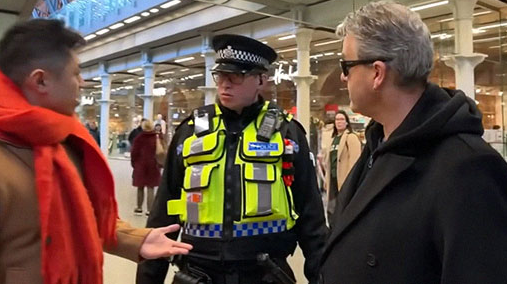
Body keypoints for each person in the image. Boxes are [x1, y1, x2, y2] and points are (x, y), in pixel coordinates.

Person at [0, 19, 192, 284]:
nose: (82, 83)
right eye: (75, 73)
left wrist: (137, 239)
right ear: (40, 80)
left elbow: (85, 219)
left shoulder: (64, 145)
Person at [319, 1, 507, 283]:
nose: (342, 77)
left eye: (346, 65)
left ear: (377, 73)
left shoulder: (468, 168)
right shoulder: (378, 143)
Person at [137, 34, 327, 284]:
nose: (224, 84)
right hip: (197, 273)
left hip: (264, 273)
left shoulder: (287, 133)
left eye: (235, 76)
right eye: (220, 76)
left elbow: (311, 218)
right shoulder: (190, 132)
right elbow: (162, 217)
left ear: (261, 79)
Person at [320, 110, 361, 226]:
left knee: (344, 208)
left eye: (342, 119)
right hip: (333, 180)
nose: (339, 122)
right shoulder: (333, 140)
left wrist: (351, 181)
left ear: (347, 122)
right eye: (337, 119)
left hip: (345, 180)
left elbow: (355, 161)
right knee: (332, 209)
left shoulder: (351, 137)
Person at [131, 119, 162, 216]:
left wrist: (134, 164)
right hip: (153, 165)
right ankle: (149, 210)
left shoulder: (139, 138)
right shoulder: (157, 137)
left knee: (140, 187)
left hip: (141, 165)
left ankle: (139, 208)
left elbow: (134, 153)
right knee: (150, 188)